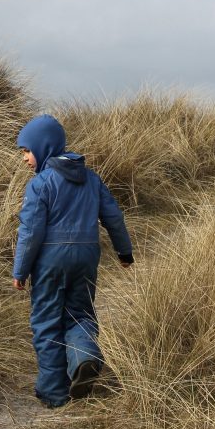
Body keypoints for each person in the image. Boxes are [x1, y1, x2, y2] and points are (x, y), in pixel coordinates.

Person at [12, 113, 134, 408]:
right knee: (80, 313)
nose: (26, 158)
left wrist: (21, 270)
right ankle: (84, 359)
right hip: (86, 256)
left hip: (51, 260)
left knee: (46, 321)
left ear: (44, 146)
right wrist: (124, 252)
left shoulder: (41, 184)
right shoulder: (91, 179)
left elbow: (30, 232)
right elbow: (113, 217)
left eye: (27, 151)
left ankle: (54, 394)